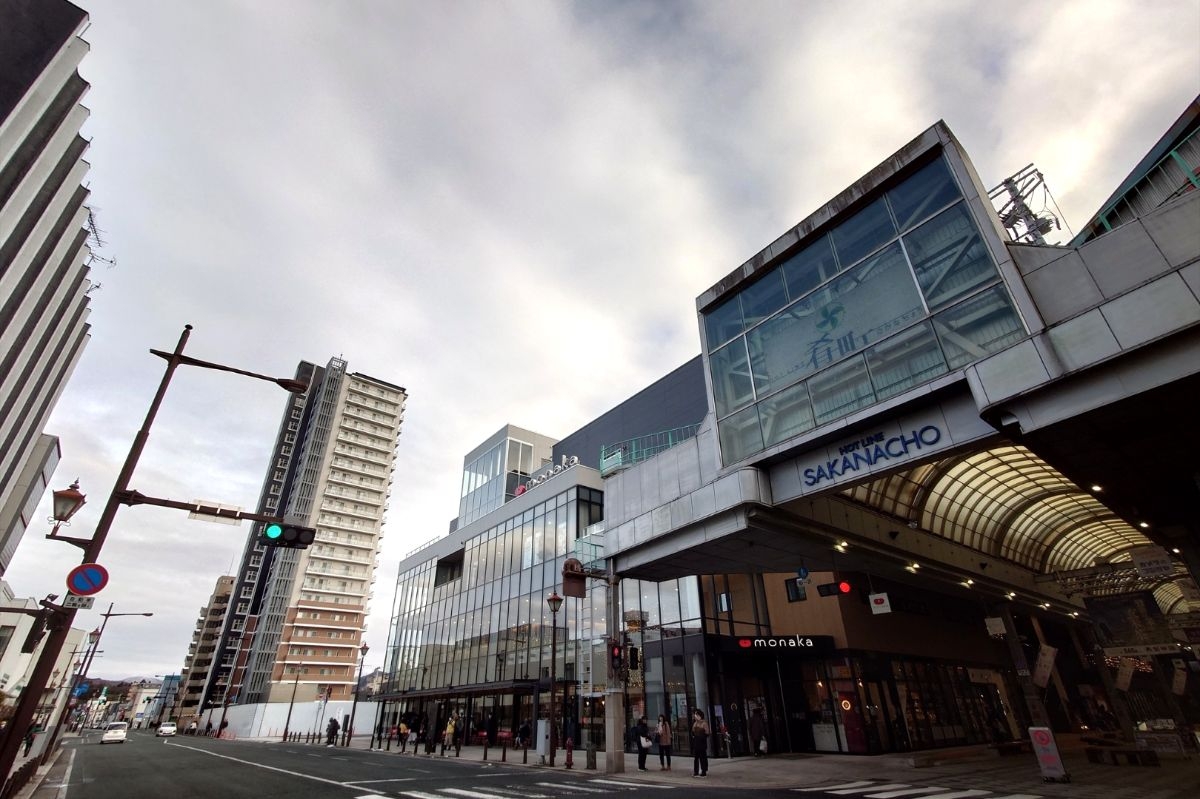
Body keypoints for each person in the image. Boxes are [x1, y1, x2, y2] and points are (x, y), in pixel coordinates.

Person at [691, 709, 710, 777]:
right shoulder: (695, 723)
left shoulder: (704, 723)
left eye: (697, 714)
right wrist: (694, 735)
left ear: (700, 715)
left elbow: (707, 733)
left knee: (702, 758)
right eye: (695, 715)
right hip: (696, 742)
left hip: (702, 743)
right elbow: (693, 732)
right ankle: (695, 771)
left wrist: (702, 736)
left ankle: (703, 771)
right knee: (696, 758)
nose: (695, 716)